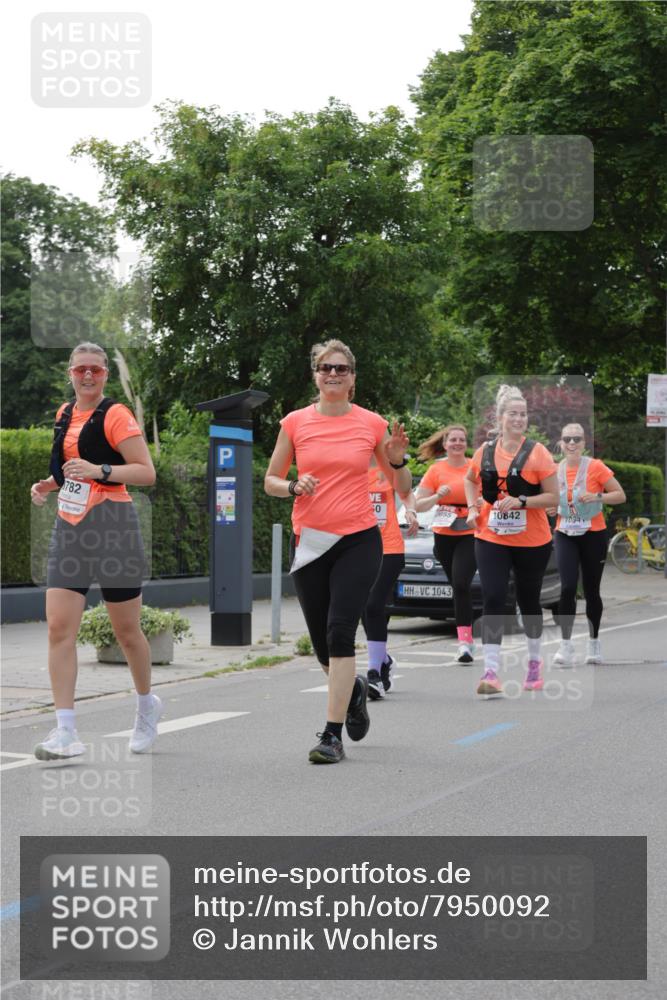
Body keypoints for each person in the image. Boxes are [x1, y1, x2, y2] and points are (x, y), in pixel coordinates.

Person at [264, 339, 413, 763]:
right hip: (310, 540)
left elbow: (401, 489)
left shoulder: (372, 424)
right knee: (323, 648)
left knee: (340, 630)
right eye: (326, 368)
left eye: (341, 369)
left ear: (352, 378)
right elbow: (271, 479)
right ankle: (355, 692)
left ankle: (331, 736)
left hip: (359, 539)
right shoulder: (294, 423)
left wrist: (399, 461)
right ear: (315, 374)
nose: (333, 374)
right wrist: (293, 485)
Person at [30, 342, 159, 760]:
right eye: (81, 369)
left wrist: (100, 470)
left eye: (97, 370)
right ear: (70, 372)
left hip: (113, 527)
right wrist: (50, 484)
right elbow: (73, 468)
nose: (88, 376)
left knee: (126, 631)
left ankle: (145, 706)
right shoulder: (64, 415)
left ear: (105, 375)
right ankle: (66, 731)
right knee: (58, 628)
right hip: (71, 528)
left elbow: (145, 472)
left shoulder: (116, 415)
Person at [464, 385, 559, 696]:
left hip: (532, 540)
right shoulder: (485, 452)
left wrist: (521, 502)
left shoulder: (538, 452)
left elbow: (552, 497)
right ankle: (491, 672)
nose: (519, 419)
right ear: (500, 417)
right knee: (492, 596)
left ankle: (534, 665)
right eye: (513, 413)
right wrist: (473, 507)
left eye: (523, 414)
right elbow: (469, 480)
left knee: (528, 600)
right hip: (491, 536)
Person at [551, 423, 626, 665]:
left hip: (593, 534)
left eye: (577, 439)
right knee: (567, 587)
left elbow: (620, 495)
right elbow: (548, 500)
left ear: (584, 443)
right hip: (564, 533)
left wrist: (598, 496)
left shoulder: (595, 467)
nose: (572, 443)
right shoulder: (554, 470)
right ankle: (566, 645)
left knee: (592, 590)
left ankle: (594, 643)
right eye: (567, 439)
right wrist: (550, 507)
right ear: (561, 443)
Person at [415, 424, 478, 663]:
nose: (458, 443)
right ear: (445, 444)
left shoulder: (474, 467)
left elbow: (488, 497)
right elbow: (419, 504)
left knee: (461, 583)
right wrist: (437, 496)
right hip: (443, 532)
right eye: (453, 440)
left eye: (462, 440)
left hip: (469, 531)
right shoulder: (436, 470)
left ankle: (464, 643)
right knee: (456, 586)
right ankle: (465, 634)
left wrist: (479, 502)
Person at [362, 458, 418, 700]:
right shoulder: (350, 466)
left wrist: (411, 510)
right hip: (357, 549)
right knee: (365, 608)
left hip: (389, 548)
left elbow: (406, 492)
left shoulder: (389, 466)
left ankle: (373, 672)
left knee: (374, 605)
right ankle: (383, 659)